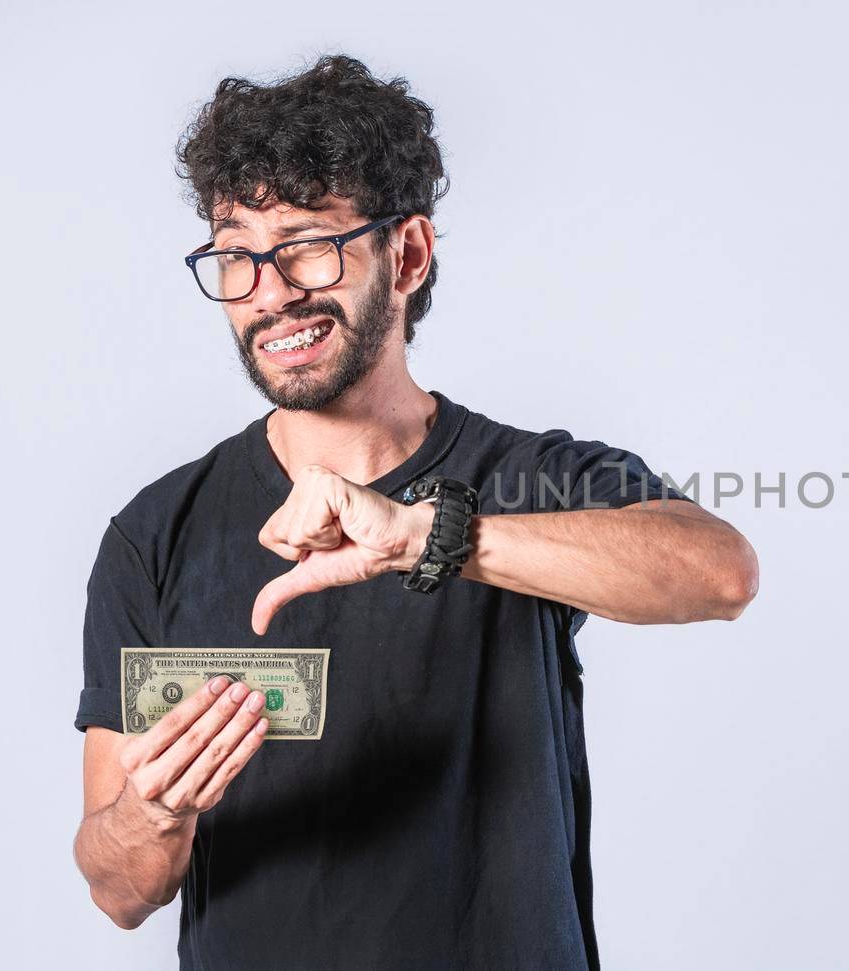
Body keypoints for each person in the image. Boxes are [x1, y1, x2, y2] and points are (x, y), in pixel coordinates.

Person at [70, 53, 758, 970]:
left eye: (307, 242)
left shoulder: (525, 477)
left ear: (409, 254)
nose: (269, 291)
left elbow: (718, 572)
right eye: (236, 253)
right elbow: (116, 886)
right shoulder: (154, 532)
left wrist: (427, 533)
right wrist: (149, 815)